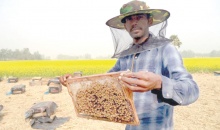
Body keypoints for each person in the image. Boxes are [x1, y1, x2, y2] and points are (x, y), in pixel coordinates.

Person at [60, 0, 199, 129]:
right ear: (125, 26)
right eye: (129, 19)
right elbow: (105, 82)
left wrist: (159, 82)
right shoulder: (125, 56)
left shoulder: (165, 49)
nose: (134, 22)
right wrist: (75, 83)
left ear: (149, 21)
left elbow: (191, 90)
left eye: (139, 17)